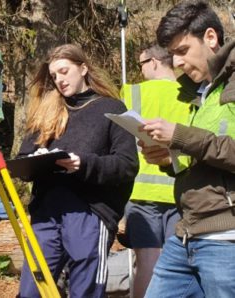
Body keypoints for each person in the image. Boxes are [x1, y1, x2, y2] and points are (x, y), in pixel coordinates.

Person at [17, 44, 138, 298]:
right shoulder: (47, 111)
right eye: (54, 76)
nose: (59, 80)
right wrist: (36, 162)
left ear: (83, 68)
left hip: (90, 213)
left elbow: (126, 165)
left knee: (85, 291)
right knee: (31, 291)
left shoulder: (113, 109)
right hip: (47, 213)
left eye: (64, 71)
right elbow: (24, 158)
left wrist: (83, 164)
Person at [138, 1, 235, 297]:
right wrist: (170, 159)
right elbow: (207, 156)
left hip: (225, 239)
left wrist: (179, 135)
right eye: (172, 55)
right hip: (185, 236)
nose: (176, 63)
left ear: (210, 37)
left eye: (182, 51)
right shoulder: (201, 94)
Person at [119, 44, 191, 298]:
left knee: (147, 260)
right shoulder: (190, 93)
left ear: (154, 62)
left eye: (141, 64)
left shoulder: (131, 92)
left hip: (140, 191)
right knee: (176, 263)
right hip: (179, 187)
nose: (141, 71)